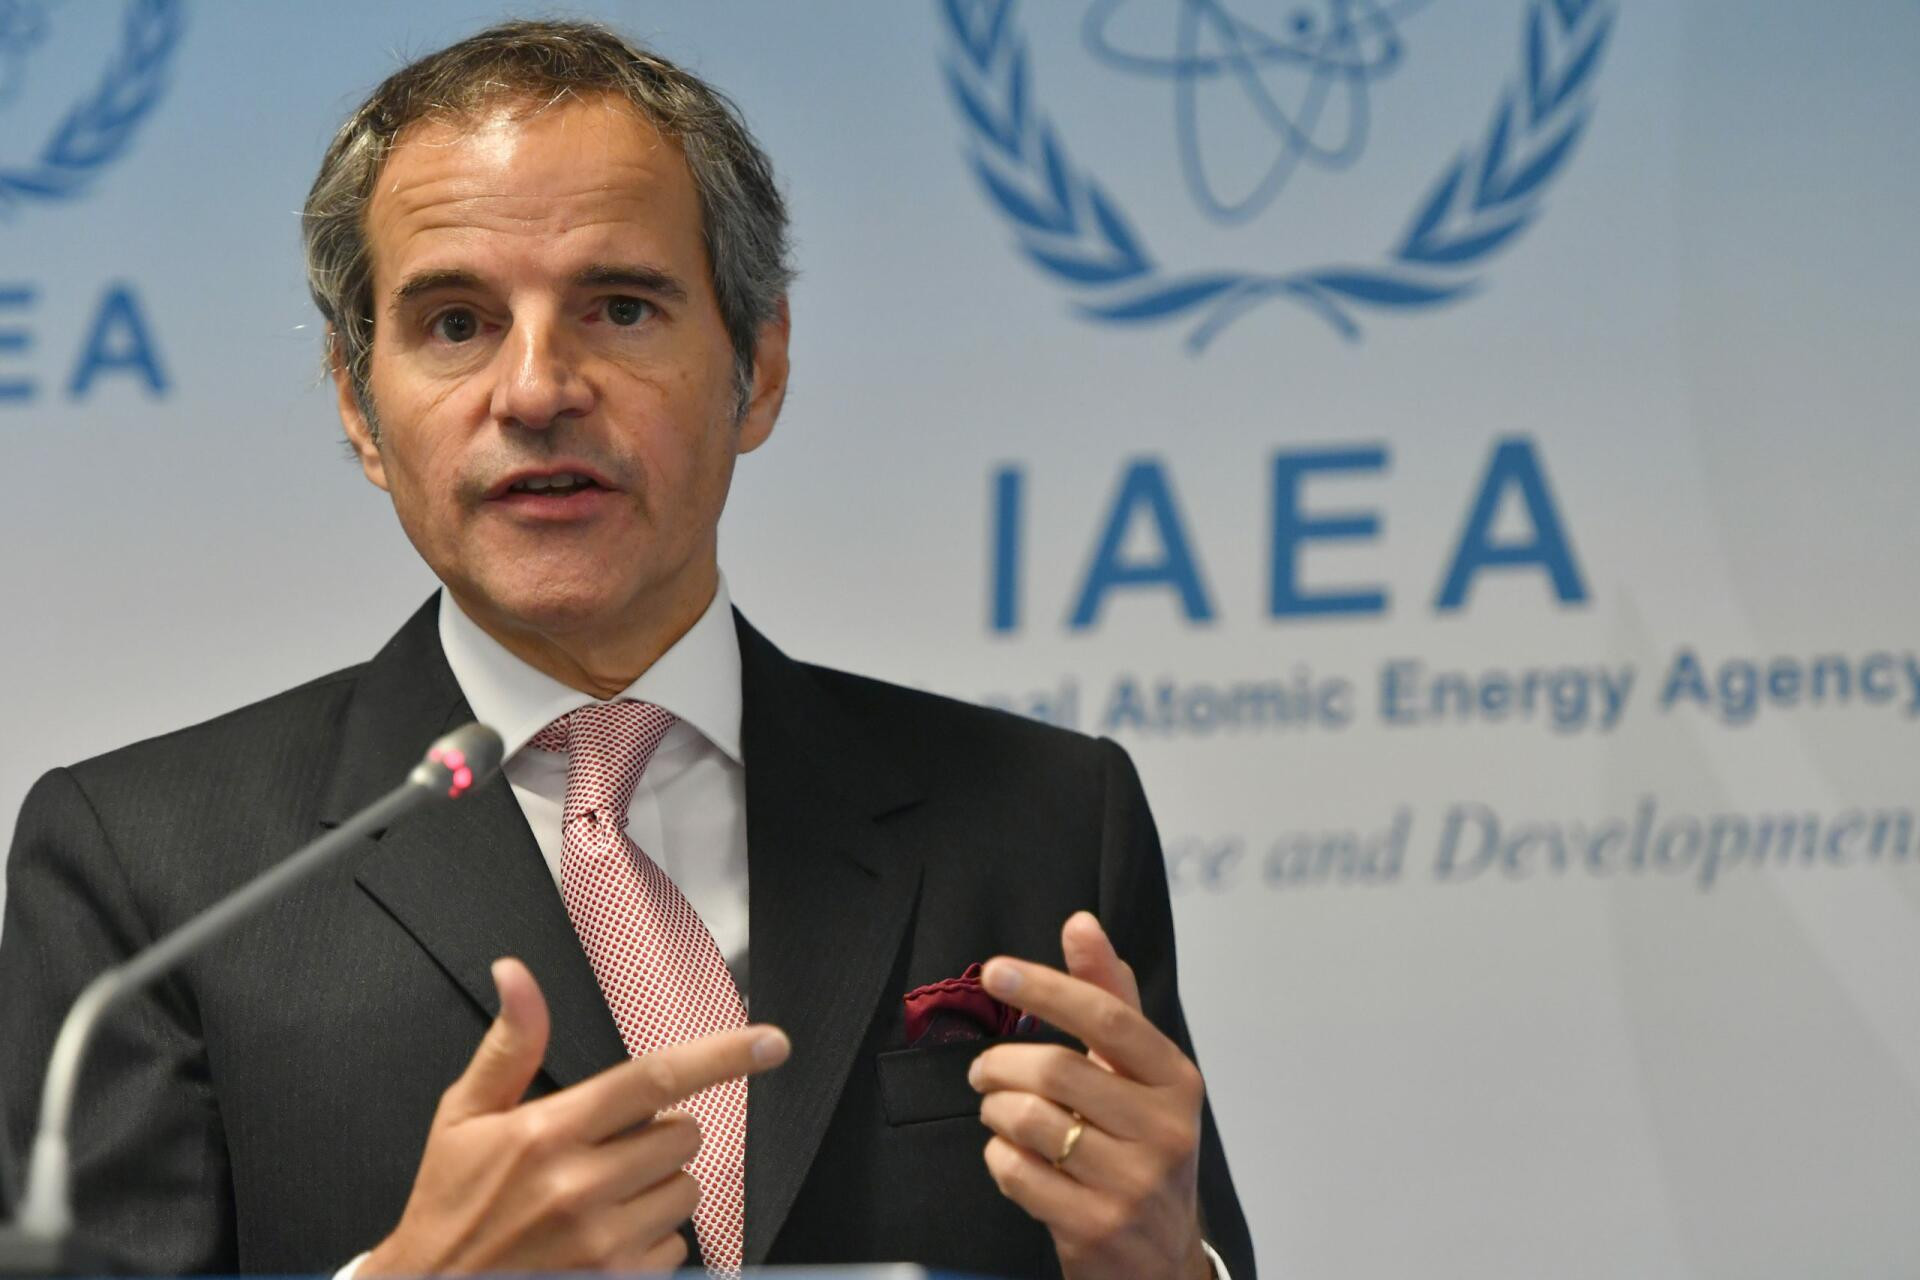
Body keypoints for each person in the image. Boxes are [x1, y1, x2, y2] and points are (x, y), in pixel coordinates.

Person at [0, 19, 1254, 1279]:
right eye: (455, 322)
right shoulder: (149, 871)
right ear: (359, 405)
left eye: (620, 307)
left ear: (760, 365)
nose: (537, 389)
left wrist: (1165, 1267)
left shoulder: (1043, 816)